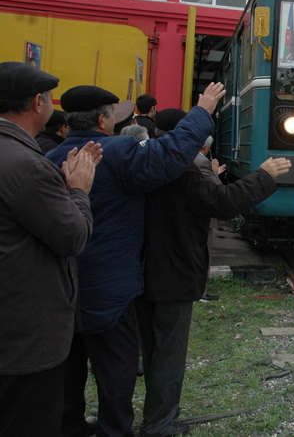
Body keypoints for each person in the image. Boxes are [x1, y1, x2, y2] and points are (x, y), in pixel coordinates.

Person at [47, 82, 225, 437]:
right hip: (111, 289)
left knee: (68, 369)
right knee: (117, 369)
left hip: (61, 286)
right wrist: (202, 110)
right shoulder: (118, 152)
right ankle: (115, 429)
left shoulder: (50, 159)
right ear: (103, 119)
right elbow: (172, 152)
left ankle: (71, 427)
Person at [136, 109, 291, 437]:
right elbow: (222, 203)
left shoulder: (143, 158)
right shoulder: (185, 168)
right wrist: (264, 174)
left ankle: (152, 416)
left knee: (151, 349)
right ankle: (160, 424)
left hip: (141, 268)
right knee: (169, 353)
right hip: (175, 271)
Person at [0, 62, 100, 436]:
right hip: (25, 338)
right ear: (36, 104)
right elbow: (73, 236)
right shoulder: (27, 166)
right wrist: (77, 189)